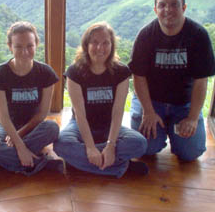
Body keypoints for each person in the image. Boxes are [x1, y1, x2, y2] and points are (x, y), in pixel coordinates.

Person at [129, 0, 215, 161]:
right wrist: (148, 111)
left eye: (174, 4)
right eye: (162, 5)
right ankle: (163, 129)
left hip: (183, 104)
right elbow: (138, 76)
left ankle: (172, 129)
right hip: (151, 101)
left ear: (184, 7)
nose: (168, 10)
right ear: (155, 10)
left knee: (190, 152)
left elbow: (201, 81)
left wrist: (192, 118)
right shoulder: (146, 35)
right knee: (145, 148)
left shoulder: (198, 35)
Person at [54, 22, 148, 178]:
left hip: (108, 126)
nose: (100, 48)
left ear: (112, 45)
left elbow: (118, 112)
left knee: (139, 143)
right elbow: (80, 115)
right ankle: (121, 166)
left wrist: (110, 146)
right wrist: (90, 148)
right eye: (95, 43)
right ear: (86, 45)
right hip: (81, 125)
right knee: (61, 144)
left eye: (106, 43)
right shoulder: (74, 72)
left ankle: (82, 162)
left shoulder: (121, 72)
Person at [0, 21, 62, 175]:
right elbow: (3, 117)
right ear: (10, 46)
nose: (24, 51)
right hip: (7, 127)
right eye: (18, 46)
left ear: (36, 44)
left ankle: (2, 161)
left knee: (52, 128)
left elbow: (42, 114)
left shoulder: (46, 73)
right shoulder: (0, 74)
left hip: (34, 127)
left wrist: (19, 138)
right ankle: (40, 163)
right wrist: (20, 145)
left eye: (30, 46)